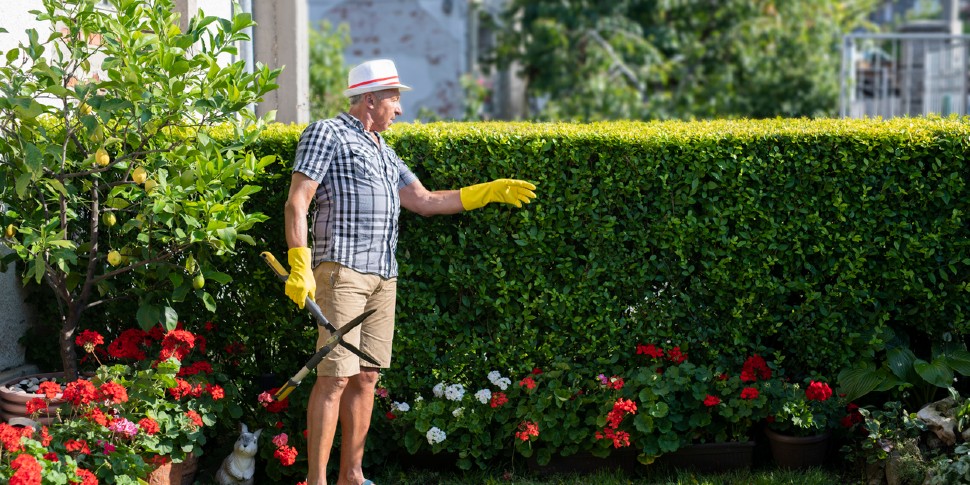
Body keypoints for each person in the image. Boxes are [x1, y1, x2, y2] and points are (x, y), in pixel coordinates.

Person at [283, 59, 537, 485]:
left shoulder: (386, 151)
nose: (399, 108)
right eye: (394, 98)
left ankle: (352, 477)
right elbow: (298, 200)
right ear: (369, 99)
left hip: (384, 278)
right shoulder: (326, 132)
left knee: (366, 377)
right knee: (334, 378)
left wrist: (486, 192)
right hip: (341, 272)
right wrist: (299, 263)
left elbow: (423, 200)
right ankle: (318, 481)